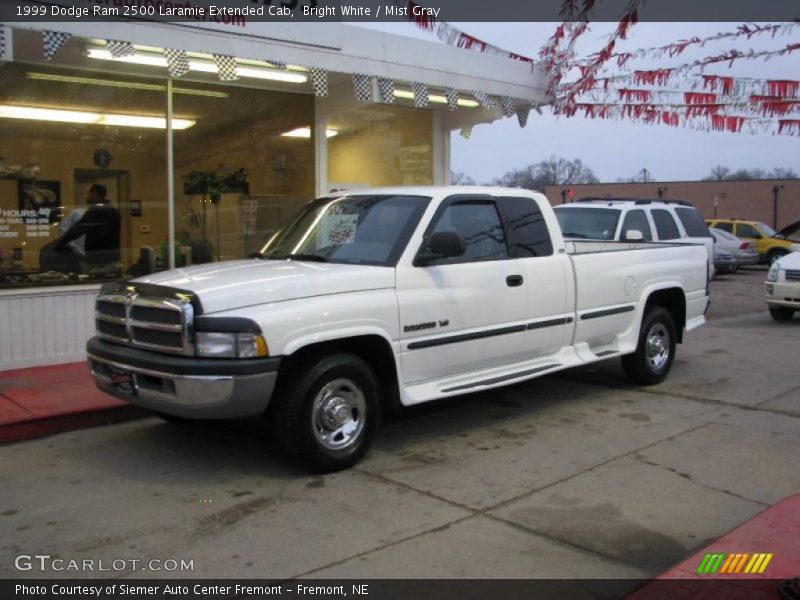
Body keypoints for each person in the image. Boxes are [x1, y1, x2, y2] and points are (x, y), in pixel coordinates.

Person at [56, 183, 121, 272]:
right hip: (111, 256)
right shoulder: (114, 210)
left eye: (87, 193)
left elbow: (79, 228)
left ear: (94, 193)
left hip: (96, 257)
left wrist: (60, 243)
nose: (86, 196)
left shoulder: (96, 210)